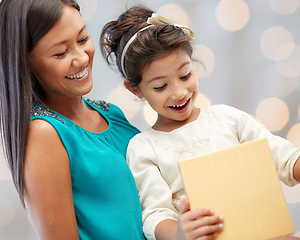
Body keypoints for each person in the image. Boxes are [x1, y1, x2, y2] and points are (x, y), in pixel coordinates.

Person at [100, 5, 300, 240]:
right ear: (135, 90)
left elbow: (285, 158)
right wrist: (178, 232)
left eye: (185, 75)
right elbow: (155, 214)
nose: (179, 92)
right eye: (160, 87)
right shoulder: (144, 147)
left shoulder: (227, 118)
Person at [0, 0, 146, 239]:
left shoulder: (112, 113)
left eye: (83, 39)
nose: (81, 58)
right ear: (26, 64)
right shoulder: (44, 134)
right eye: (61, 52)